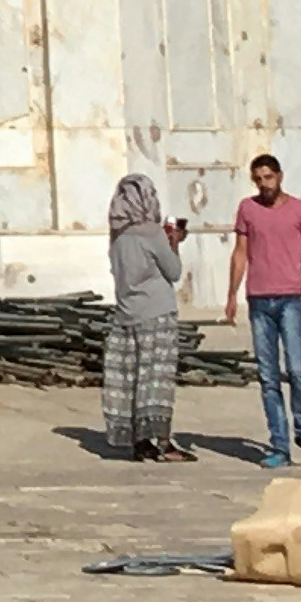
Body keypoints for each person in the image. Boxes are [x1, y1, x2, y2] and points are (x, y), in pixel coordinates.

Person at [219, 150, 301, 465]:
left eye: (268, 177)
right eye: (258, 179)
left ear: (279, 176)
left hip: (291, 298)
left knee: (297, 370)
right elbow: (240, 253)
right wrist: (231, 295)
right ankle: (279, 443)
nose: (264, 184)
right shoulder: (247, 210)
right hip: (259, 299)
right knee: (268, 375)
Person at [103, 173, 196, 461]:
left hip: (126, 315)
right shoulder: (152, 233)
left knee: (132, 379)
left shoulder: (117, 239)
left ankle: (140, 442)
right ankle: (164, 443)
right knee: (157, 380)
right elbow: (174, 271)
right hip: (157, 314)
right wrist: (174, 243)